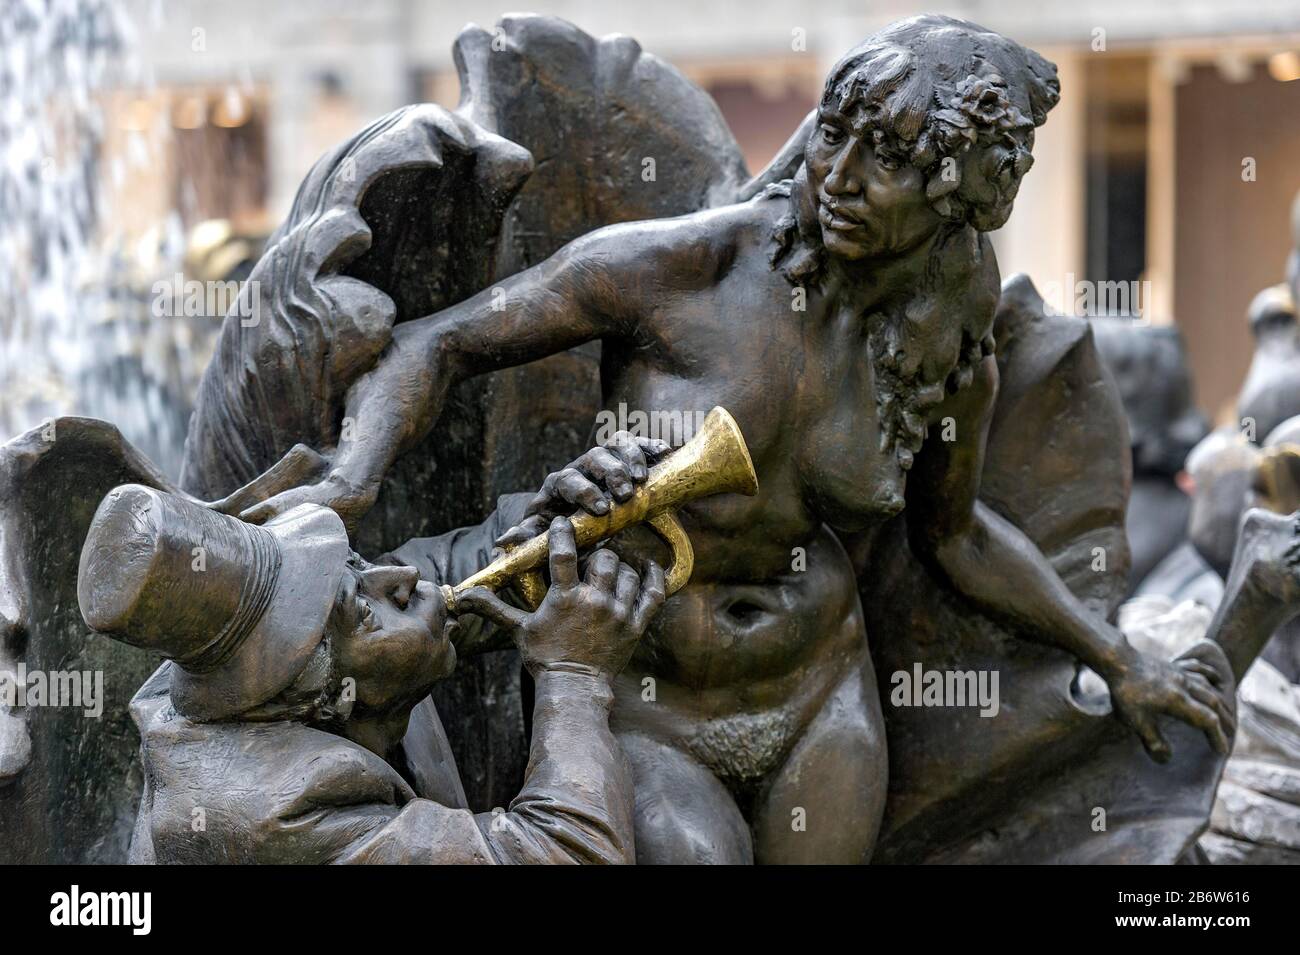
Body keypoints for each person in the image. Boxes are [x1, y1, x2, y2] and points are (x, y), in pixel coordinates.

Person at [245, 15, 1232, 862]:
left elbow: (955, 532)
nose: (836, 175)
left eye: (885, 157)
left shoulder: (944, 341)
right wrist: (348, 477)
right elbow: (439, 340)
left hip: (819, 697)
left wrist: (1118, 656)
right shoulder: (694, 268)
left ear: (957, 193)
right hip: (648, 687)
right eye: (835, 133)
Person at [77, 442, 666, 864]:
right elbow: (571, 854)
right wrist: (572, 674)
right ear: (319, 697)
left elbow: (451, 580)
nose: (400, 576)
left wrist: (551, 526)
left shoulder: (254, 653)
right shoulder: (268, 815)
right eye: (359, 604)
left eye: (355, 563)